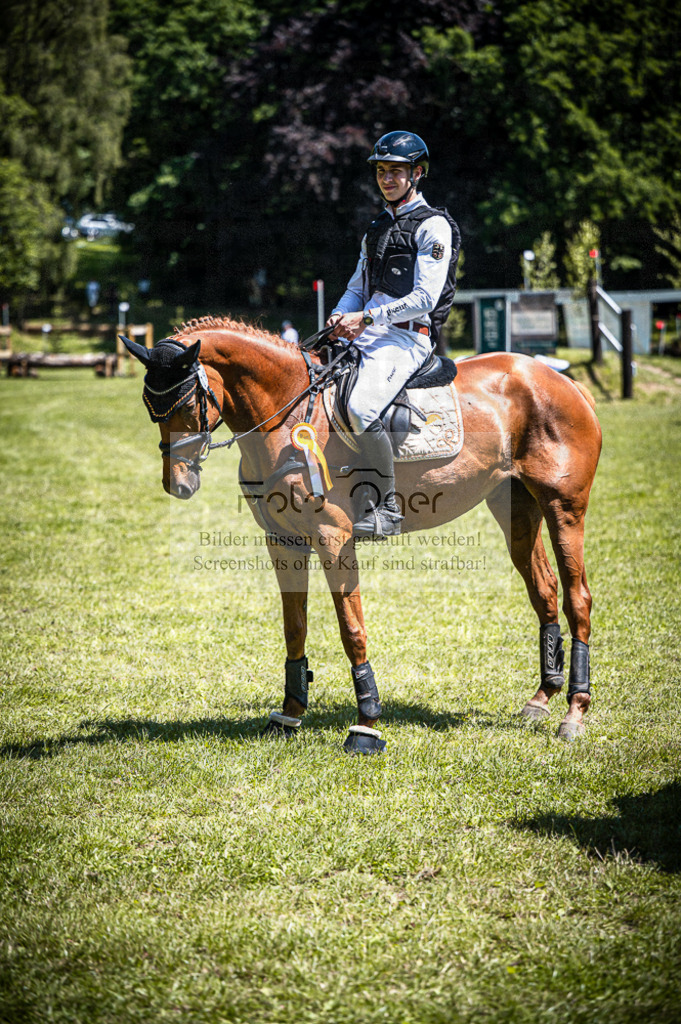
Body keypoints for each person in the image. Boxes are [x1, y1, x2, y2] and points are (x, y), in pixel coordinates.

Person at [326, 130, 460, 540]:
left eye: (396, 171)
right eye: (381, 171)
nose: (386, 178)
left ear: (417, 174)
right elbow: (356, 287)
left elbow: (425, 298)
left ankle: (385, 508)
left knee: (361, 408)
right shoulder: (377, 227)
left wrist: (366, 319)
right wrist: (339, 314)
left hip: (407, 338)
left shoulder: (433, 226)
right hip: (367, 331)